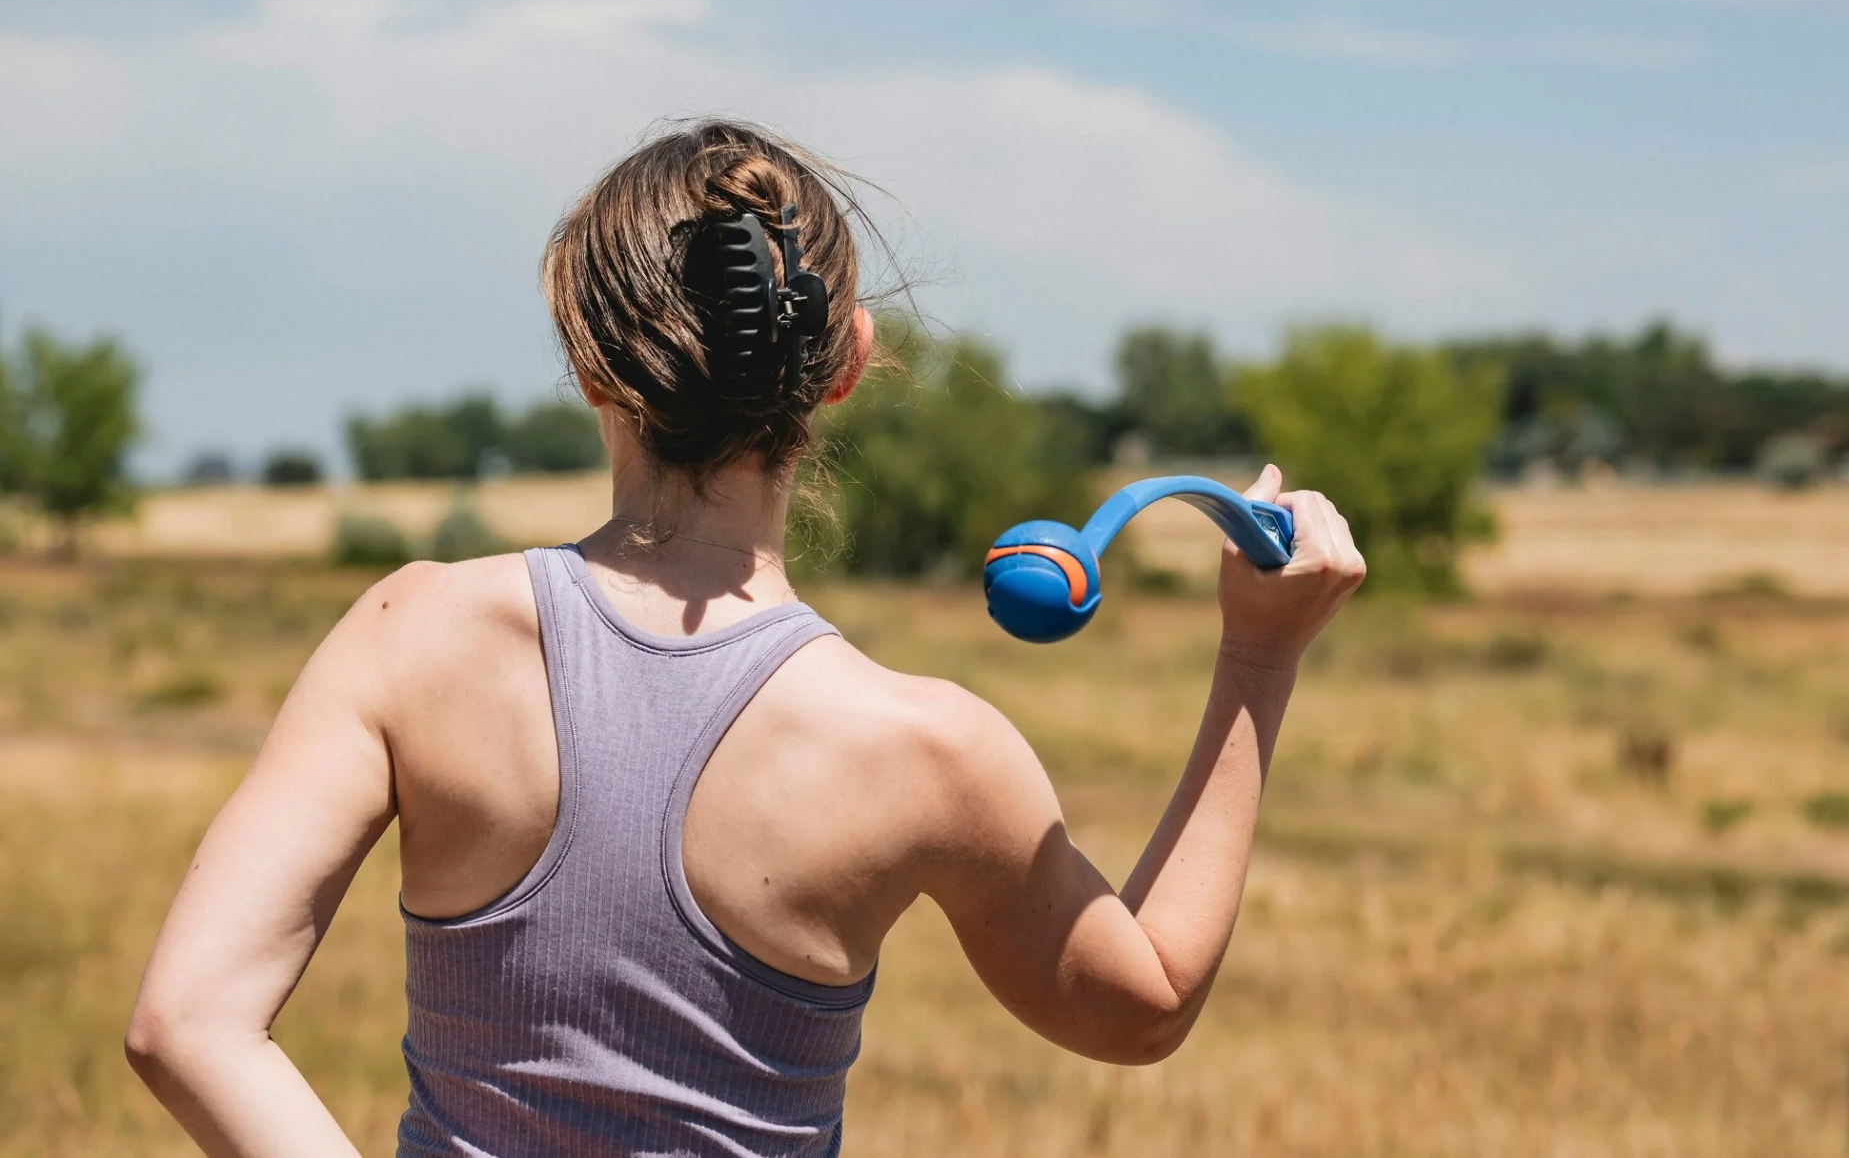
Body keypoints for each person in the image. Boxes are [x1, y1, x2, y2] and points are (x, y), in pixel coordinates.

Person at [126, 120, 1366, 1158]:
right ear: (846, 364)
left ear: (586, 358)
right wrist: (1259, 661)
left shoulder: (412, 634)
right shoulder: (927, 748)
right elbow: (1139, 1008)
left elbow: (186, 1022)